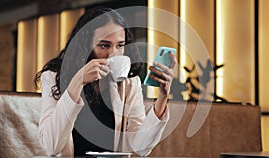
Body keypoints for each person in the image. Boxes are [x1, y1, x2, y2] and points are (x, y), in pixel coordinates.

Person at [34, 6, 177, 157]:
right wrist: (77, 81)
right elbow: (51, 146)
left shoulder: (129, 84)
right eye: (104, 45)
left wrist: (162, 97)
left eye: (120, 45)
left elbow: (141, 148)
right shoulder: (53, 77)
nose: (113, 54)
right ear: (85, 46)